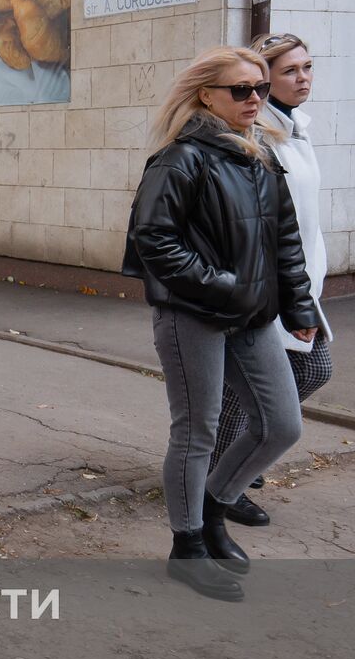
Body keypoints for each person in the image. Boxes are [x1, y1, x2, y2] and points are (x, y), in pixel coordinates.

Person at [123, 46, 317, 603]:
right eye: (241, 89)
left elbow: (286, 242)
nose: (255, 97)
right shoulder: (180, 159)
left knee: (282, 424)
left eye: (259, 87)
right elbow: (152, 241)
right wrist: (226, 286)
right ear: (206, 95)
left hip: (253, 317)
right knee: (197, 430)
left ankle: (211, 511)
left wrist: (299, 308)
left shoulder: (260, 155)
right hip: (193, 317)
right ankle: (187, 548)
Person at [203, 34, 333, 528]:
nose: (303, 79)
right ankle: (222, 479)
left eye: (308, 67)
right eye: (290, 71)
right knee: (255, 386)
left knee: (302, 374)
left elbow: (302, 220)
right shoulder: (257, 135)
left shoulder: (298, 128)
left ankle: (240, 456)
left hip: (301, 281)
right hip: (264, 286)